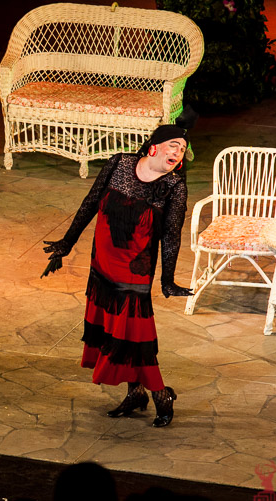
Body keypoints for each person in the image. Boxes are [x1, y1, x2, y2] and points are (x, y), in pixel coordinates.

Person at [42, 124, 192, 427]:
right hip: (102, 264)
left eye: (182, 149)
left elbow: (171, 236)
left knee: (135, 336)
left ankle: (162, 395)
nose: (178, 153)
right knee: (118, 335)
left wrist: (167, 279)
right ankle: (136, 393)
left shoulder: (173, 186)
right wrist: (66, 244)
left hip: (134, 272)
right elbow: (90, 203)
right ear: (154, 146)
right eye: (173, 145)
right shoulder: (119, 164)